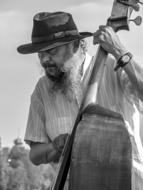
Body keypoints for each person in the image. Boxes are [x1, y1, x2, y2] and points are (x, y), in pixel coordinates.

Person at [17, 12, 143, 189]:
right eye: (40, 54)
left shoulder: (116, 68)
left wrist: (119, 51)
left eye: (52, 51)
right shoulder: (41, 90)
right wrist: (54, 147)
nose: (44, 60)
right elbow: (35, 155)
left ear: (79, 45)